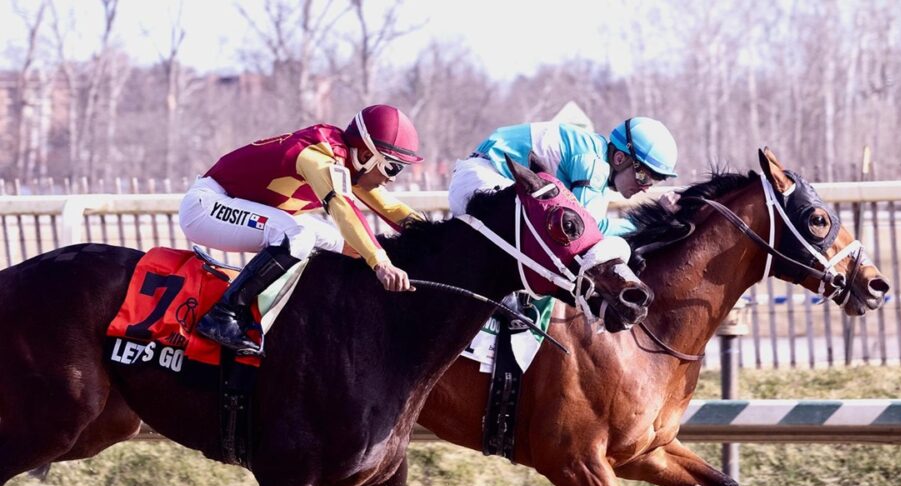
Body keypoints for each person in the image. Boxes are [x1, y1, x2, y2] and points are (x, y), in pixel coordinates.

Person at [178, 104, 425, 353]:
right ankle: (224, 313)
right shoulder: (318, 158)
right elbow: (343, 209)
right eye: (392, 167)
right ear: (365, 155)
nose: (393, 178)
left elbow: (391, 209)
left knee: (355, 246)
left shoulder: (350, 164)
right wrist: (380, 263)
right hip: (205, 206)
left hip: (234, 203)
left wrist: (437, 235)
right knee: (298, 235)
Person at [448, 116, 678, 236]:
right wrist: (652, 220)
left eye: (653, 181)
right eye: (644, 177)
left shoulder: (593, 152)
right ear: (619, 159)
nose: (646, 187)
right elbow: (592, 230)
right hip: (482, 181)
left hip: (479, 177)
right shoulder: (595, 165)